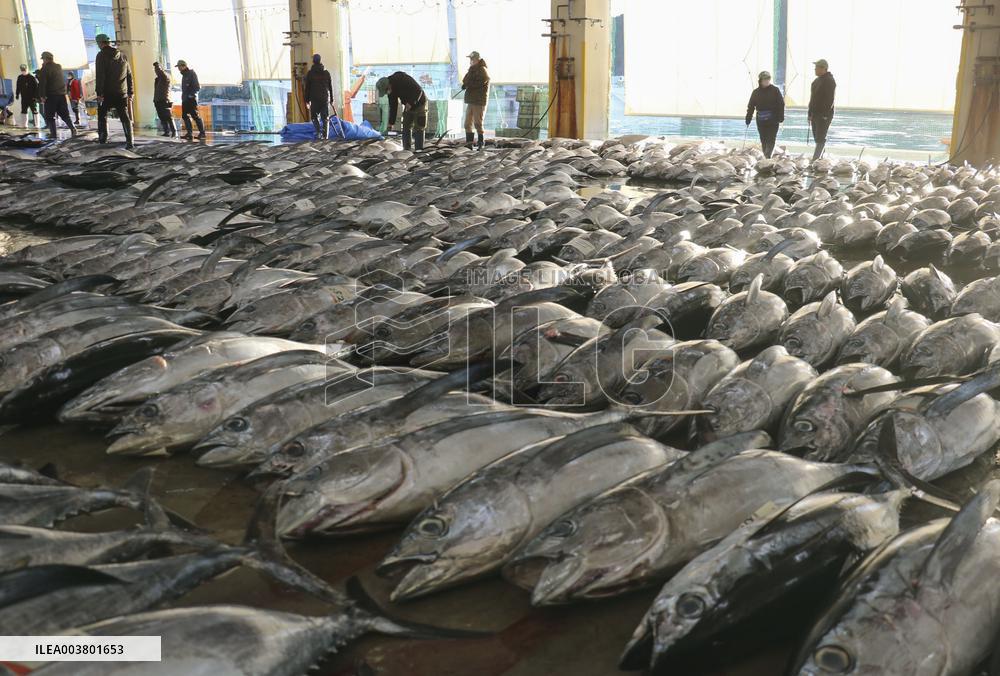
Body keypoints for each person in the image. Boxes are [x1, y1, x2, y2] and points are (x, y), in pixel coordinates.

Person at [94, 33, 135, 149]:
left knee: (102, 115)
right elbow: (129, 75)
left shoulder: (101, 56)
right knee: (124, 116)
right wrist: (130, 92)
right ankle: (130, 142)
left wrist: (99, 93)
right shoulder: (123, 56)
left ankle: (103, 140)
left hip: (106, 93)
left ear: (101, 43)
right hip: (121, 92)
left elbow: (100, 75)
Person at [376, 72, 427, 151]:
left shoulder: (402, 79)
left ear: (388, 85)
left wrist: (411, 102)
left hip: (419, 103)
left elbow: (419, 90)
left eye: (386, 90)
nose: (387, 93)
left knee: (419, 127)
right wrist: (391, 123)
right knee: (406, 127)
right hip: (408, 106)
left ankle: (419, 151)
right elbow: (393, 105)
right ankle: (406, 150)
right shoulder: (390, 90)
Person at [36, 51, 76, 140]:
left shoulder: (45, 69)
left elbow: (43, 83)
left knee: (50, 116)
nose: (43, 61)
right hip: (61, 95)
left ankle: (53, 134)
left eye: (43, 59)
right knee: (65, 114)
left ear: (46, 59)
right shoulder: (58, 67)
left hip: (51, 96)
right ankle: (73, 129)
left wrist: (42, 95)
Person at [745, 70, 784, 159]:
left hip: (773, 120)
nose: (767, 80)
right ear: (760, 80)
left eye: (768, 79)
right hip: (761, 120)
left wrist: (781, 117)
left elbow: (781, 104)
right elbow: (751, 107)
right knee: (763, 140)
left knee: (771, 139)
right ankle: (766, 156)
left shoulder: (775, 90)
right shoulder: (755, 92)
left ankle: (767, 156)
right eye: (765, 79)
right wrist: (748, 118)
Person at [808, 58, 836, 161]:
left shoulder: (829, 81)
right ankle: (821, 158)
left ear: (823, 68)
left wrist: (825, 114)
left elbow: (830, 99)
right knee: (817, 136)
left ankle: (815, 159)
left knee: (820, 137)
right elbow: (812, 99)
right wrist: (809, 114)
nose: (815, 69)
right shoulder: (816, 81)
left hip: (824, 114)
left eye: (817, 67)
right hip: (815, 113)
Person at [461, 51, 489, 151]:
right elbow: (465, 79)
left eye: (471, 59)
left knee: (478, 123)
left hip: (478, 101)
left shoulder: (482, 70)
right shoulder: (471, 70)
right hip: (471, 101)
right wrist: (465, 84)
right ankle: (469, 144)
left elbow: (482, 81)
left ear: (476, 59)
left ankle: (481, 142)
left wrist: (468, 84)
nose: (470, 61)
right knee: (467, 124)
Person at [304, 53, 334, 140]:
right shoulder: (326, 72)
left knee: (314, 117)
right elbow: (330, 87)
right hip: (324, 98)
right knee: (325, 118)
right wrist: (332, 99)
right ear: (320, 61)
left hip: (314, 99)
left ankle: (318, 133)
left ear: (313, 61)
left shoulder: (310, 73)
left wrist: (307, 100)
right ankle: (325, 136)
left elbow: (307, 88)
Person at [176, 60, 205, 140]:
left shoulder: (191, 73)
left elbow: (197, 87)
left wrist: (191, 95)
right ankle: (189, 133)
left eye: (179, 67)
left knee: (195, 116)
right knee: (185, 116)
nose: (178, 68)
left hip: (191, 99)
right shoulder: (184, 75)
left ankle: (202, 133)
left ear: (183, 66)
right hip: (185, 99)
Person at [153, 62, 176, 137]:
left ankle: (174, 131)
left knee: (168, 116)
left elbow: (159, 71)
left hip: (164, 99)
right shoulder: (159, 79)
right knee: (162, 117)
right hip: (159, 100)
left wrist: (157, 65)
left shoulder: (164, 77)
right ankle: (167, 132)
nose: (156, 71)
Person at [14, 65, 38, 129]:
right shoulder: (20, 77)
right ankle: (24, 125)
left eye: (24, 70)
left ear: (27, 69)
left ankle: (37, 125)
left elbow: (36, 88)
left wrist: (35, 97)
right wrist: (17, 94)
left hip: (32, 98)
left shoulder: (32, 78)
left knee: (34, 111)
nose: (23, 71)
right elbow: (18, 86)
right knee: (24, 111)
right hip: (24, 98)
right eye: (22, 70)